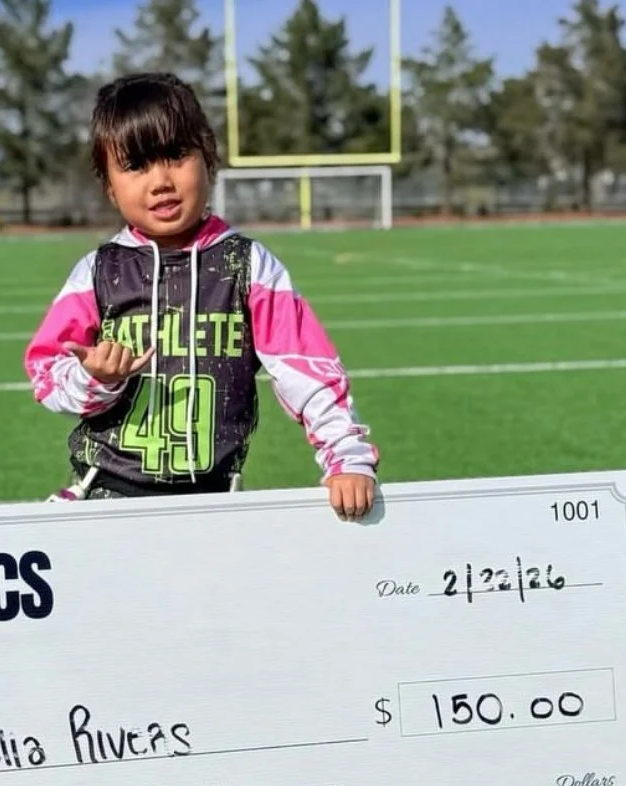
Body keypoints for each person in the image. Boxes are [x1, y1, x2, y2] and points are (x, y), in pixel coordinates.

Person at [23, 72, 379, 521]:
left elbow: (305, 367)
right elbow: (46, 375)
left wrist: (346, 455)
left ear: (208, 157)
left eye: (175, 155)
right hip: (105, 503)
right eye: (136, 165)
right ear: (109, 186)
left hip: (215, 504)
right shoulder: (97, 272)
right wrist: (97, 380)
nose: (160, 181)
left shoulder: (249, 265)